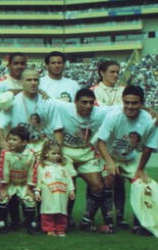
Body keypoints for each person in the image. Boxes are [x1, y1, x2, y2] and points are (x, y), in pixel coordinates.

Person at [54, 88, 117, 232]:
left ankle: (87, 219)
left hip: (86, 152)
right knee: (70, 185)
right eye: (83, 102)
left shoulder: (100, 112)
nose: (88, 106)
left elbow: (119, 108)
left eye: (90, 103)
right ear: (75, 102)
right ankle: (66, 218)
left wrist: (146, 109)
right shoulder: (64, 107)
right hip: (67, 151)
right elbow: (43, 98)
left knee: (98, 186)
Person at [97, 85, 158, 232]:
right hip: (109, 155)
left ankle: (141, 222)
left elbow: (149, 146)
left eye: (134, 103)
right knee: (109, 179)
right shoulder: (113, 116)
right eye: (127, 102)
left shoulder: (150, 120)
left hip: (129, 158)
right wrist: (110, 162)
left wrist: (141, 169)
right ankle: (110, 220)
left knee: (143, 184)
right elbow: (100, 142)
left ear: (142, 103)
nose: (130, 107)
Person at [0, 69, 63, 153]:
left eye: (35, 80)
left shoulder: (48, 102)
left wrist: (58, 149)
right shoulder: (13, 101)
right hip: (18, 145)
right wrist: (2, 141)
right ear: (22, 82)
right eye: (29, 80)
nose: (33, 83)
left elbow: (57, 129)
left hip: (41, 145)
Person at [0, 126, 37, 234]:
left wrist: (29, 188)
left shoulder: (31, 154)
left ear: (24, 142)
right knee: (3, 199)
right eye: (10, 139)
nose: (10, 142)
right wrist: (3, 189)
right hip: (10, 184)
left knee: (29, 200)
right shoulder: (6, 153)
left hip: (23, 184)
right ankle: (2, 223)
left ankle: (30, 224)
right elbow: (3, 171)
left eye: (14, 139)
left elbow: (32, 171)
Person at [33, 141, 76, 237]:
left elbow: (68, 179)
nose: (57, 156)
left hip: (62, 192)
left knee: (61, 211)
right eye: (54, 153)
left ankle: (60, 228)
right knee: (48, 211)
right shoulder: (42, 167)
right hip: (48, 193)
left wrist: (71, 189)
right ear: (46, 154)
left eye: (59, 153)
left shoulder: (63, 166)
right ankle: (49, 229)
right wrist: (37, 191)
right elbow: (38, 180)